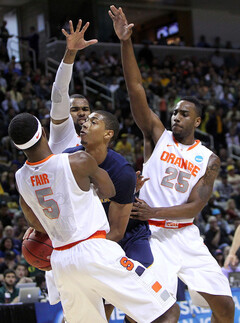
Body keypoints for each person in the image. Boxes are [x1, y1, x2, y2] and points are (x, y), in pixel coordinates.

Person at [109, 5, 234, 322]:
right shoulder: (156, 135)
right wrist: (126, 42)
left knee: (226, 307)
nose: (175, 117)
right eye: (174, 112)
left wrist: (155, 211)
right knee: (145, 312)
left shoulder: (210, 159)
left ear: (198, 121)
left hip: (185, 235)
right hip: (150, 236)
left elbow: (194, 208)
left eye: (183, 114)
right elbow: (136, 88)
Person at [48, 20, 178, 322]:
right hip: (83, 242)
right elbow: (58, 94)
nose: (82, 118)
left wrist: (82, 248)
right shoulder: (63, 149)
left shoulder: (119, 169)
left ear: (107, 133)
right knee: (90, 307)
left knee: (147, 306)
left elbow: (118, 231)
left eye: (90, 116)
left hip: (120, 237)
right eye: (77, 111)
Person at [9, 112, 177, 322]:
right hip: (93, 249)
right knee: (167, 311)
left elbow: (35, 224)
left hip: (61, 261)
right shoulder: (78, 159)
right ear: (43, 133)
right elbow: (108, 190)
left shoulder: (20, 177)